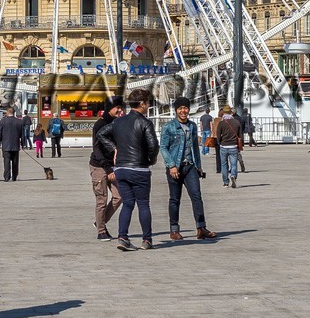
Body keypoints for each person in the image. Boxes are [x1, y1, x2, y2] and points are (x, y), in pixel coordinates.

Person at [102, 89, 158, 251]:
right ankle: (147, 240)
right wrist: (150, 160)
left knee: (127, 204)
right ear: (142, 104)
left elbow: (102, 134)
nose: (148, 106)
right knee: (143, 204)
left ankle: (123, 237)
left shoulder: (118, 122)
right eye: (147, 103)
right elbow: (153, 145)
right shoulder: (145, 122)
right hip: (139, 169)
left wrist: (115, 149)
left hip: (121, 168)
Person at [159, 96, 216, 241]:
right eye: (180, 108)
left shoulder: (192, 126)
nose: (183, 111)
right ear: (176, 110)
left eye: (185, 108)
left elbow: (195, 148)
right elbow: (163, 147)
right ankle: (174, 230)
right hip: (175, 168)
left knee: (197, 196)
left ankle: (201, 228)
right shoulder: (168, 127)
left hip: (190, 166)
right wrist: (171, 165)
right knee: (175, 199)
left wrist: (199, 167)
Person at [89, 98, 125, 240]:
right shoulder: (100, 124)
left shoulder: (117, 123)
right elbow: (96, 148)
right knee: (101, 199)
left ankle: (100, 222)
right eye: (118, 108)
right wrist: (107, 168)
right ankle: (101, 231)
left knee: (119, 196)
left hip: (113, 166)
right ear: (110, 108)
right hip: (99, 166)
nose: (120, 110)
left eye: (121, 108)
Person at [214, 105, 244, 187]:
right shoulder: (236, 122)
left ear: (223, 113)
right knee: (234, 164)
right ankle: (233, 175)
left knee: (224, 164)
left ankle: (225, 182)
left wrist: (219, 142)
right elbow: (240, 135)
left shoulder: (221, 123)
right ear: (231, 112)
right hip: (233, 146)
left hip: (224, 146)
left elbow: (218, 135)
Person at [0, 108, 24, 182]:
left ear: (7, 112)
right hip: (15, 144)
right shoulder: (19, 122)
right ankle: (14, 176)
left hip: (6, 144)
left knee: (6, 161)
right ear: (14, 112)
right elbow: (22, 134)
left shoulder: (2, 121)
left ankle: (7, 177)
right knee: (15, 161)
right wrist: (23, 144)